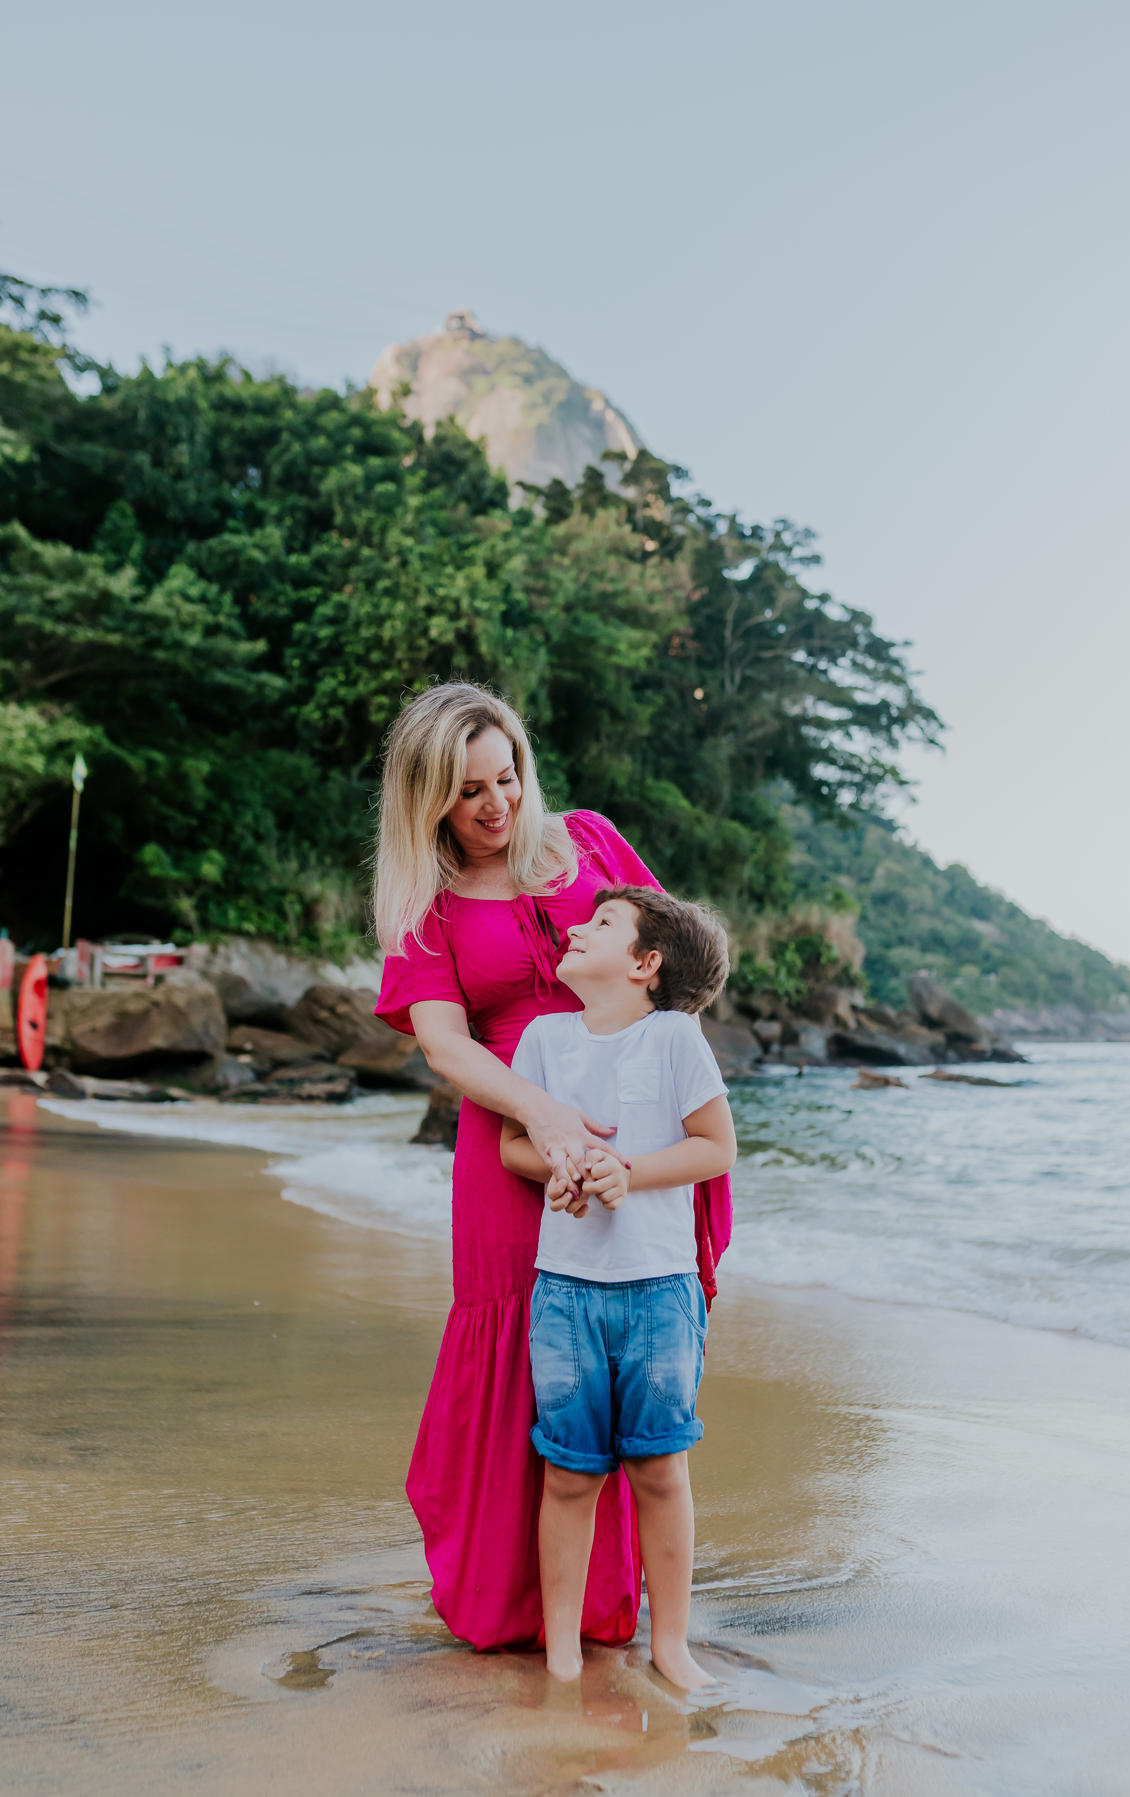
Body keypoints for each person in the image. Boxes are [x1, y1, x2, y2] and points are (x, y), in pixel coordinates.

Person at [372, 683, 733, 1652]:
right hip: (511, 1145)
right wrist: (541, 1108)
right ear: (429, 801)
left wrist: (660, 1113)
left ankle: (622, 1608)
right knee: (529, 1363)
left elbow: (677, 970)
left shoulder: (593, 840)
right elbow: (446, 1047)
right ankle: (518, 1608)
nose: (497, 804)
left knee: (635, 1351)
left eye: (509, 776)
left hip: (636, 1139)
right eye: (468, 791)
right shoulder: (426, 908)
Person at [499, 886, 736, 1687]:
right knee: (569, 1472)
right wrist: (561, 1165)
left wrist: (626, 1173)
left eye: (601, 923)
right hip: (564, 1289)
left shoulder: (674, 1038)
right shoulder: (543, 1037)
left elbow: (715, 1147)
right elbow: (512, 1148)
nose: (575, 926)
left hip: (659, 1289)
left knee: (661, 1468)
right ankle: (562, 1649)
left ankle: (670, 1642)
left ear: (645, 963)